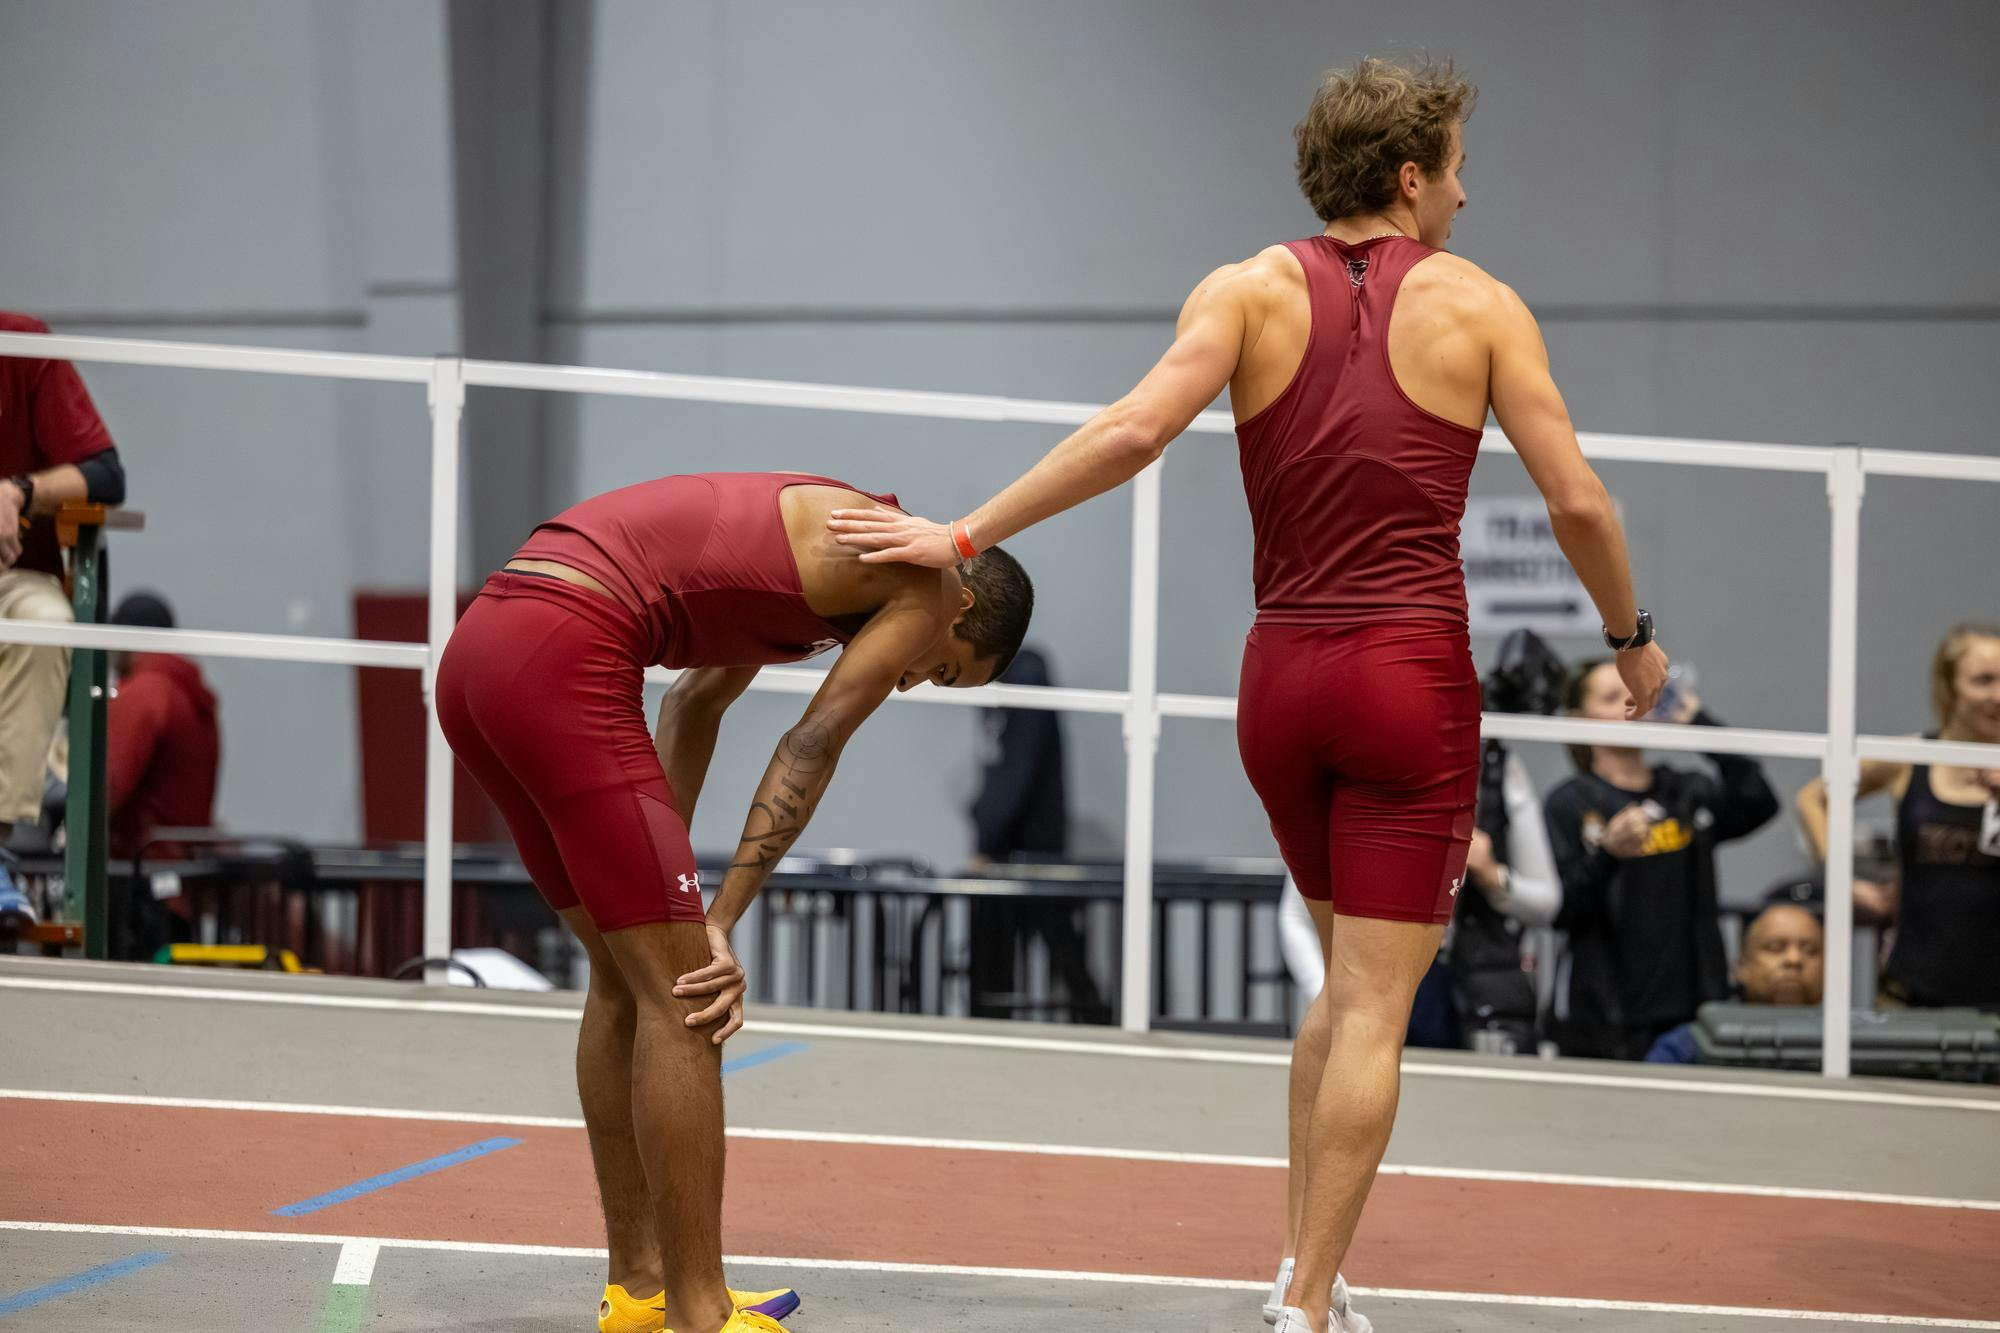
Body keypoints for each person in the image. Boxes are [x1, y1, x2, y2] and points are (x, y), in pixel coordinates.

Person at [825, 56, 1668, 1333]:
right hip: (1403, 675)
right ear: (1407, 174)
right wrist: (1630, 639)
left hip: (1279, 678)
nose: (1464, 193)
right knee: (1378, 1006)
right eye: (1453, 169)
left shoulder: (1242, 288)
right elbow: (1576, 500)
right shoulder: (1482, 307)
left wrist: (963, 533)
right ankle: (1313, 1304)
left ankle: (1296, 1266)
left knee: (1338, 986)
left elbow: (1128, 432)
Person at [436, 470, 1033, 1333]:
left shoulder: (820, 555)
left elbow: (694, 699)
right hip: (566, 650)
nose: (910, 683)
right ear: (961, 605)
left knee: (626, 977)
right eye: (940, 668)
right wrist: (710, 923)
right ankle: (701, 1312)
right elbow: (812, 743)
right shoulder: (928, 582)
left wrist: (658, 896)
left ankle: (639, 1287)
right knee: (690, 1003)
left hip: (484, 653)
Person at [1544, 660, 1780, 1060]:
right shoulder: (1570, 802)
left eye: (1635, 691)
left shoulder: (1684, 790)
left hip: (1690, 1007)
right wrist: (1607, 853)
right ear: (1577, 718)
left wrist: (1697, 721)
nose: (1629, 703)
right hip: (1608, 1013)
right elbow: (1562, 908)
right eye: (1610, 697)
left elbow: (1758, 800)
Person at [1796, 622, 2000, 1010]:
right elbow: (1814, 798)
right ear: (1949, 686)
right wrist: (1842, 878)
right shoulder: (1910, 758)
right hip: (1911, 993)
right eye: (1983, 680)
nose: (1998, 695)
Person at [0, 312, 127, 853]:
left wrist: (18, 491)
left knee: (48, 623)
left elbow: (105, 474)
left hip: (14, 578)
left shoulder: (21, 344)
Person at [99, 592, 220, 958]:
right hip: (177, 887)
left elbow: (107, 788)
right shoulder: (190, 694)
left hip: (139, 890)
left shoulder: (146, 694)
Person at [1645, 900, 1824, 1063]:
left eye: (1810, 950)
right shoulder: (1688, 1046)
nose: (1794, 959)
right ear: (1741, 966)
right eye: (1775, 947)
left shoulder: (1843, 1048)